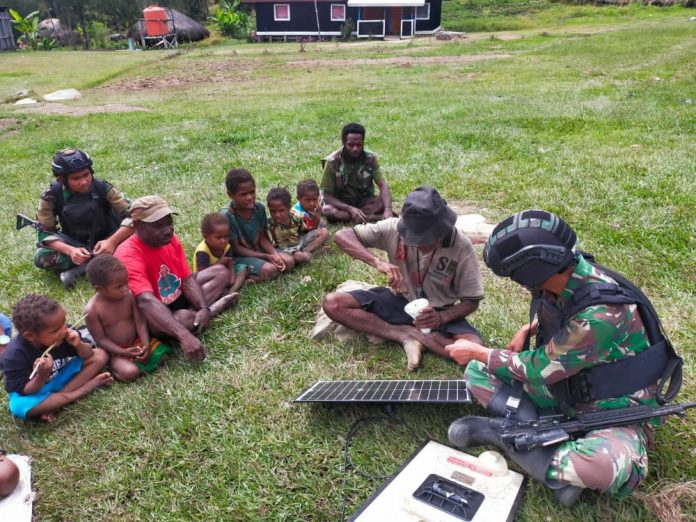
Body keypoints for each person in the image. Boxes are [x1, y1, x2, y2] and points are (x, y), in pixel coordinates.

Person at [447, 209, 675, 506]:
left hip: (614, 409)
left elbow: (542, 368)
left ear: (531, 270)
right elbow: (566, 321)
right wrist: (526, 328)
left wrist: (481, 351)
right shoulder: (565, 278)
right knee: (478, 371)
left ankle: (505, 435)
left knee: (602, 467)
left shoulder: (600, 314)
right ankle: (535, 440)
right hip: (567, 388)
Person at [322, 186, 483, 371]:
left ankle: (423, 337)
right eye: (415, 239)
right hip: (398, 300)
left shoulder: (461, 245)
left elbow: (471, 301)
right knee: (333, 303)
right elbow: (342, 236)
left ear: (441, 230)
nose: (420, 244)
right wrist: (378, 262)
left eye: (427, 240)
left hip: (440, 311)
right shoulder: (394, 228)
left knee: (472, 349)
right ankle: (405, 335)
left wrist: (441, 318)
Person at [115, 196, 235, 362]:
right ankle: (202, 315)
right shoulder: (128, 254)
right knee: (185, 319)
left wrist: (204, 308)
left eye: (169, 222)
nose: (167, 230)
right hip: (156, 314)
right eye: (158, 226)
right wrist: (183, 335)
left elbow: (186, 279)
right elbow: (146, 301)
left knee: (221, 273)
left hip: (179, 296)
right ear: (137, 226)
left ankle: (203, 313)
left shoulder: (170, 240)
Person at [1, 294, 112, 422]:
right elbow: (26, 391)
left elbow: (88, 355)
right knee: (18, 407)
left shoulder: (63, 335)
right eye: (55, 330)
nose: (64, 331)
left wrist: (79, 344)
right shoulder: (13, 355)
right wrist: (42, 375)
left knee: (100, 355)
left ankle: (55, 403)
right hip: (36, 392)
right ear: (30, 336)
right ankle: (85, 389)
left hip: (62, 377)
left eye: (63, 324)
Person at [33, 148, 133, 288]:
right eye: (76, 178)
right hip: (76, 245)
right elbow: (45, 234)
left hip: (111, 238)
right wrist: (71, 251)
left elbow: (135, 215)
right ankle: (105, 261)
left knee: (143, 234)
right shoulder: (51, 196)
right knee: (42, 257)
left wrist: (111, 241)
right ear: (61, 179)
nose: (84, 181)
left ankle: (87, 267)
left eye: (86, 175)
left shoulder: (102, 187)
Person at [85, 255, 172, 382]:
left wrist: (145, 343)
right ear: (99, 289)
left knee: (163, 356)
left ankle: (139, 362)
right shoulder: (92, 310)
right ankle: (114, 368)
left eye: (126, 283)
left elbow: (140, 322)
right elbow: (101, 340)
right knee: (130, 373)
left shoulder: (129, 296)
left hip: (136, 343)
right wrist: (122, 352)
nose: (125, 289)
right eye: (118, 286)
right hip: (115, 351)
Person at [221, 168, 294, 280]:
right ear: (230, 195)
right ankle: (245, 276)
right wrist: (266, 256)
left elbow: (262, 238)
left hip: (257, 249)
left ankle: (258, 273)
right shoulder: (227, 216)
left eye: (252, 192)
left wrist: (274, 254)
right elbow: (236, 249)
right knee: (270, 270)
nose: (249, 197)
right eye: (243, 194)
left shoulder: (259, 208)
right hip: (239, 257)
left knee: (289, 262)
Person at [320, 123, 394, 223]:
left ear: (363, 143)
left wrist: (388, 209)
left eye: (359, 145)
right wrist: (349, 209)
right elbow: (327, 196)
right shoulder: (332, 161)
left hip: (363, 201)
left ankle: (359, 216)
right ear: (343, 143)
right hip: (341, 202)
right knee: (327, 210)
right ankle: (371, 217)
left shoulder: (370, 159)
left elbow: (382, 185)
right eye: (351, 145)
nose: (355, 148)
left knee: (382, 202)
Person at [267, 187, 329, 265]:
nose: (277, 215)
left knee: (324, 232)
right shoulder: (269, 224)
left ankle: (306, 251)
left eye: (281, 210)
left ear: (289, 208)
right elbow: (272, 246)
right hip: (284, 249)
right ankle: (313, 254)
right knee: (299, 257)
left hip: (299, 242)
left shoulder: (296, 217)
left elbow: (305, 231)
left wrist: (317, 216)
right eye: (273, 211)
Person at [193, 213, 249, 291]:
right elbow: (202, 274)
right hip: (208, 278)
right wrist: (220, 262)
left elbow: (230, 263)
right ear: (205, 236)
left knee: (244, 269)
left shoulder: (227, 246)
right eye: (218, 237)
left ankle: (232, 289)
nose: (223, 241)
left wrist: (231, 280)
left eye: (226, 236)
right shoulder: (203, 252)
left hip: (225, 273)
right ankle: (231, 288)